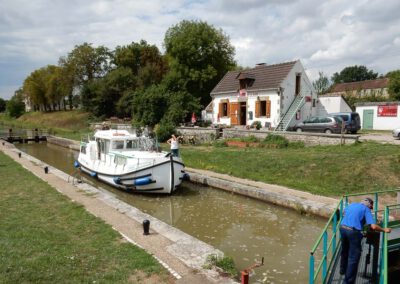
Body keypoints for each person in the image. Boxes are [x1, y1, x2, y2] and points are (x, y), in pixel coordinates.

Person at [340, 197, 391, 284]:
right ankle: (348, 282)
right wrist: (384, 230)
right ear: (369, 205)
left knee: (345, 250)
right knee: (353, 258)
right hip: (353, 232)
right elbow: (373, 227)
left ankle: (342, 269)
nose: (370, 209)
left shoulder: (352, 205)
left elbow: (344, 213)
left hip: (342, 228)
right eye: (371, 207)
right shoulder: (366, 209)